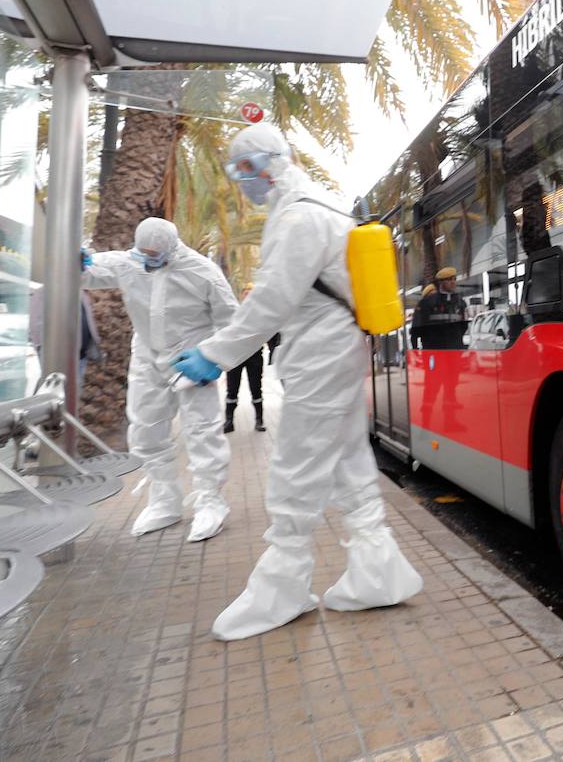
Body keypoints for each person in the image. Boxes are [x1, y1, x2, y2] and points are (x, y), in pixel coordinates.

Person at [173, 122, 422, 641]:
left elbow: (271, 300)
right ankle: (378, 573)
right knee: (350, 458)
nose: (242, 186)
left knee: (296, 462)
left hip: (319, 356)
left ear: (263, 165)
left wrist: (214, 355)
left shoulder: (300, 216)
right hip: (338, 350)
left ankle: (282, 587)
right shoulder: (325, 207)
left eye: (241, 173)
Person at [82, 217, 238, 542]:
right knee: (145, 429)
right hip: (146, 356)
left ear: (172, 246)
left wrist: (215, 357)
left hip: (190, 360)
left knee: (202, 431)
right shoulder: (128, 263)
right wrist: (78, 262)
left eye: (156, 253)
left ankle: (211, 501)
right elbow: (90, 272)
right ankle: (165, 500)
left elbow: (232, 320)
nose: (149, 259)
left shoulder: (202, 271)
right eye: (144, 252)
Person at [223, 284, 266, 433]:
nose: (248, 297)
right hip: (234, 357)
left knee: (256, 389)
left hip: (254, 356)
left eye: (251, 294)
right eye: (246, 294)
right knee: (231, 390)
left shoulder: (261, 314)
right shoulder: (234, 312)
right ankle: (229, 421)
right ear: (242, 296)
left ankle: (259, 421)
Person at [410, 267, 465, 349]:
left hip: (455, 350)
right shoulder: (427, 303)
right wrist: (416, 349)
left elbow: (463, 326)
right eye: (449, 280)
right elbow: (417, 329)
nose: (453, 282)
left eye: (454, 279)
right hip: (434, 350)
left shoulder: (460, 303)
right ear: (440, 282)